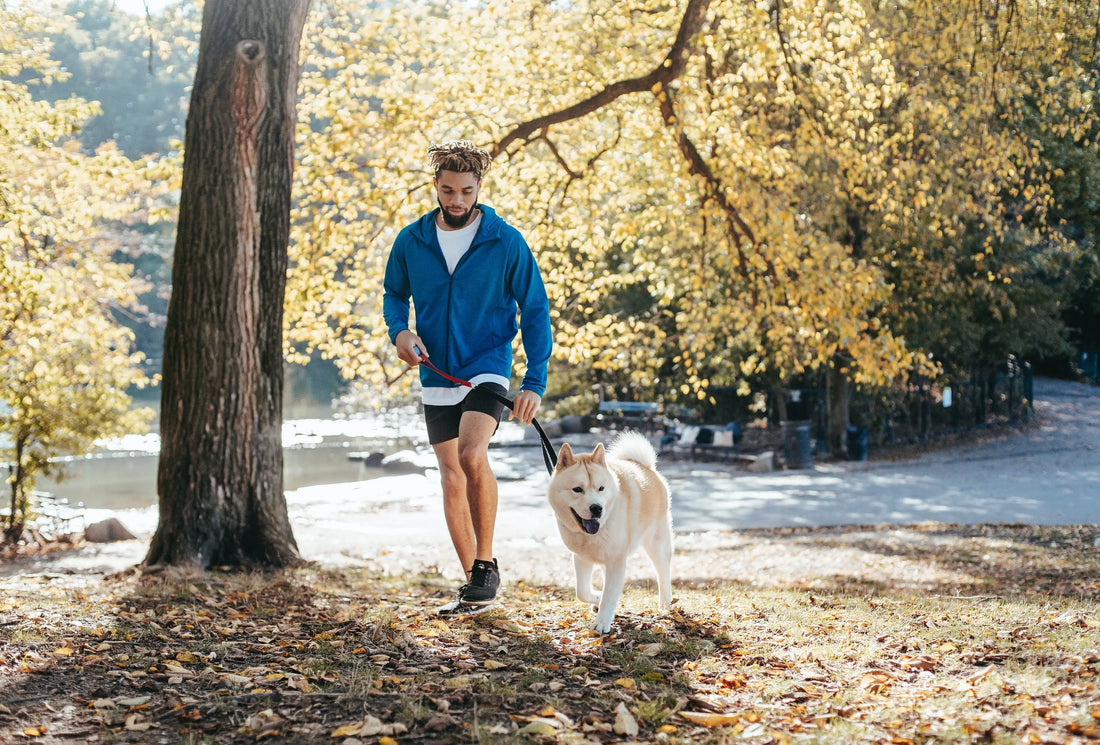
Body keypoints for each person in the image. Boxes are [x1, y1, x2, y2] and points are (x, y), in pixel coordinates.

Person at [382, 140, 553, 615]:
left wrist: (534, 382)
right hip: (435, 369)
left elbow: (535, 309)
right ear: (435, 186)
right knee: (450, 476)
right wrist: (400, 332)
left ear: (479, 188)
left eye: (466, 191)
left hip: (487, 365)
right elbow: (394, 294)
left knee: (471, 454)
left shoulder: (505, 241)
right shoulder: (411, 240)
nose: (456, 200)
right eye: (448, 190)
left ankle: (485, 563)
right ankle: (474, 589)